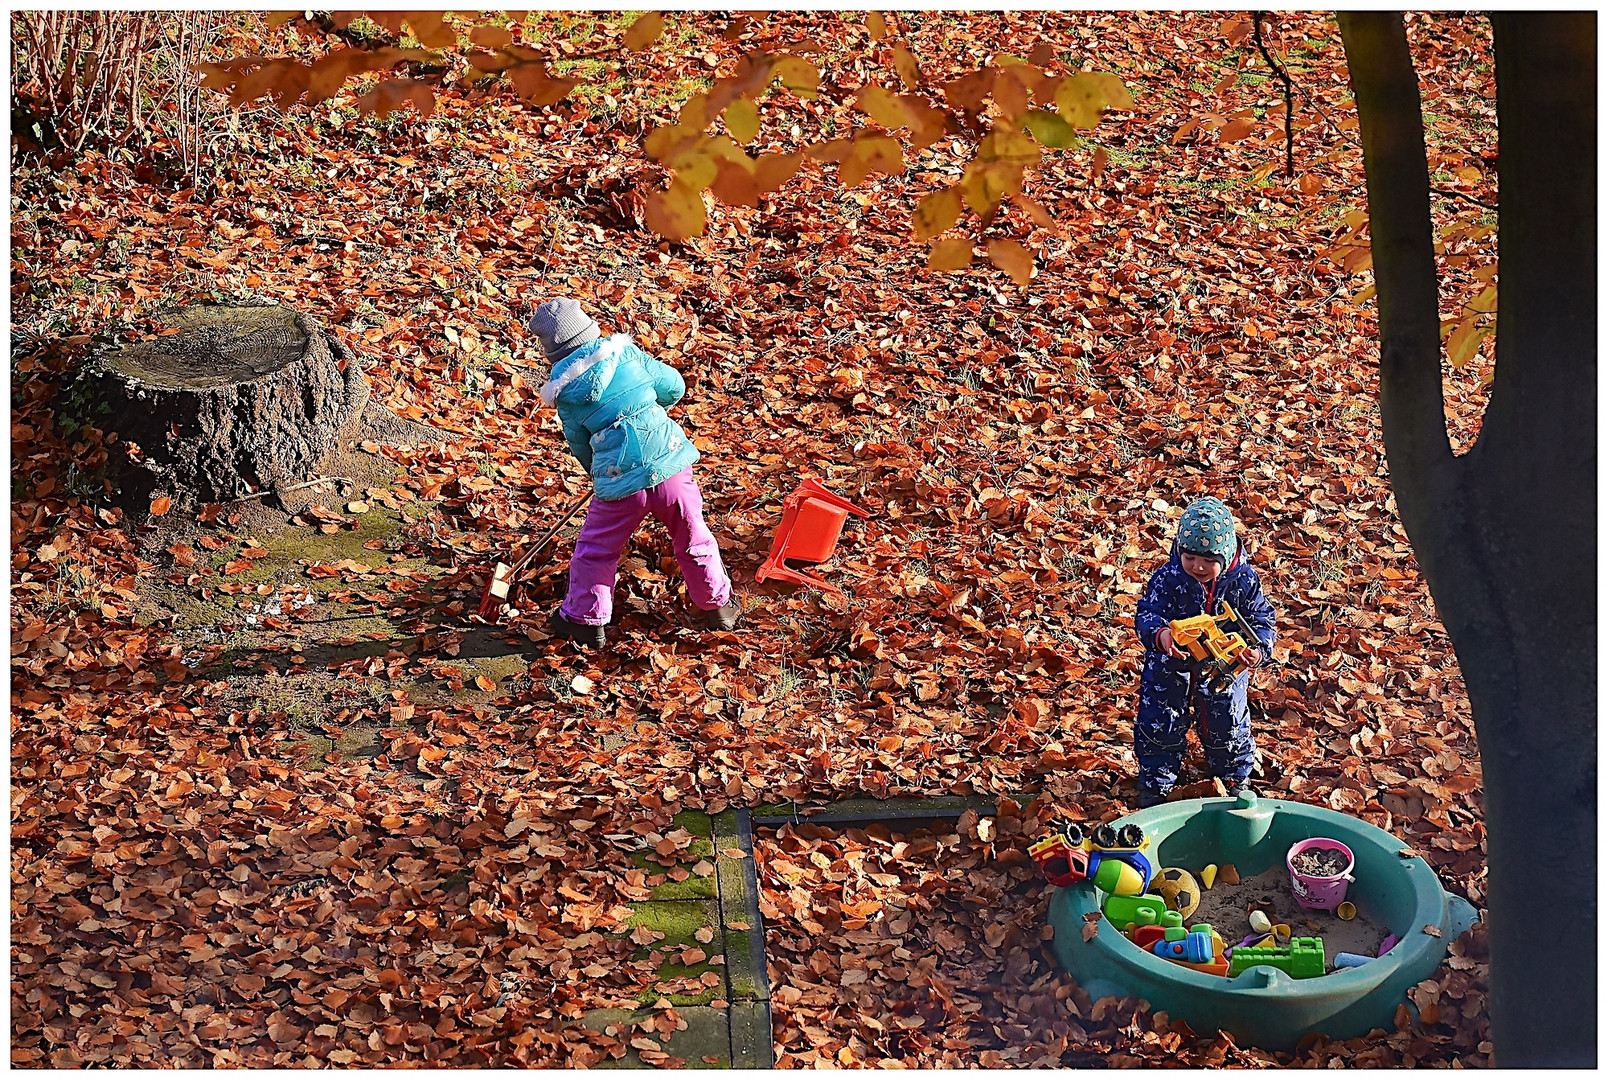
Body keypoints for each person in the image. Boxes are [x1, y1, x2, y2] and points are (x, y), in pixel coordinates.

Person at [529, 298, 740, 648]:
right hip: (669, 463)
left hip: (618, 482)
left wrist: (598, 474)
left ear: (553, 354)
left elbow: (580, 443)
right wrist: (654, 408)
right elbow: (673, 385)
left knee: (597, 548)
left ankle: (584, 620)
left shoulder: (566, 394)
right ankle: (717, 606)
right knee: (693, 534)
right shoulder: (625, 355)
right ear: (590, 329)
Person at [1132, 496, 1276, 807]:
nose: (1198, 566)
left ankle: (1233, 776)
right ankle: (1157, 781)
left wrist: (1257, 649)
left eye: (1208, 559)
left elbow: (1261, 619)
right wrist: (1161, 634)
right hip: (1171, 666)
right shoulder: (1169, 577)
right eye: (1190, 556)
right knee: (1161, 719)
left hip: (1225, 666)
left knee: (1229, 720)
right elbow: (1147, 613)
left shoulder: (1244, 581)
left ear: (1224, 555)